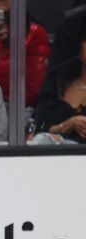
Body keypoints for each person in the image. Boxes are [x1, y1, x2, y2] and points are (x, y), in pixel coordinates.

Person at [33, 7, 86, 143]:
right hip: (53, 157)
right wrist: (68, 125)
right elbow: (39, 129)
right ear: (76, 46)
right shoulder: (56, 81)